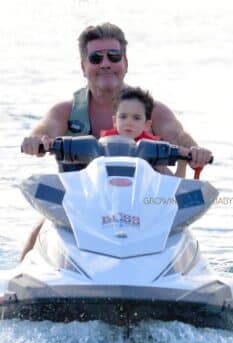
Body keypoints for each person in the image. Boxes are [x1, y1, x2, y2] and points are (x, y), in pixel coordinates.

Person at [20, 22, 212, 261]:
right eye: (96, 58)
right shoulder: (65, 111)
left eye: (113, 56)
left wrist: (195, 150)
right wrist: (36, 140)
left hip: (145, 212)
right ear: (83, 67)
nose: (105, 64)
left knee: (184, 234)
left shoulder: (152, 110)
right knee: (41, 229)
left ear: (126, 64)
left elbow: (178, 135)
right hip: (78, 212)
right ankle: (13, 288)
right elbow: (45, 128)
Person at [100, 86, 189, 177]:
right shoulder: (103, 145)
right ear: (115, 121)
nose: (129, 122)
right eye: (123, 117)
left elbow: (172, 184)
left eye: (136, 118)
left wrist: (182, 163)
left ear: (147, 125)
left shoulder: (153, 148)